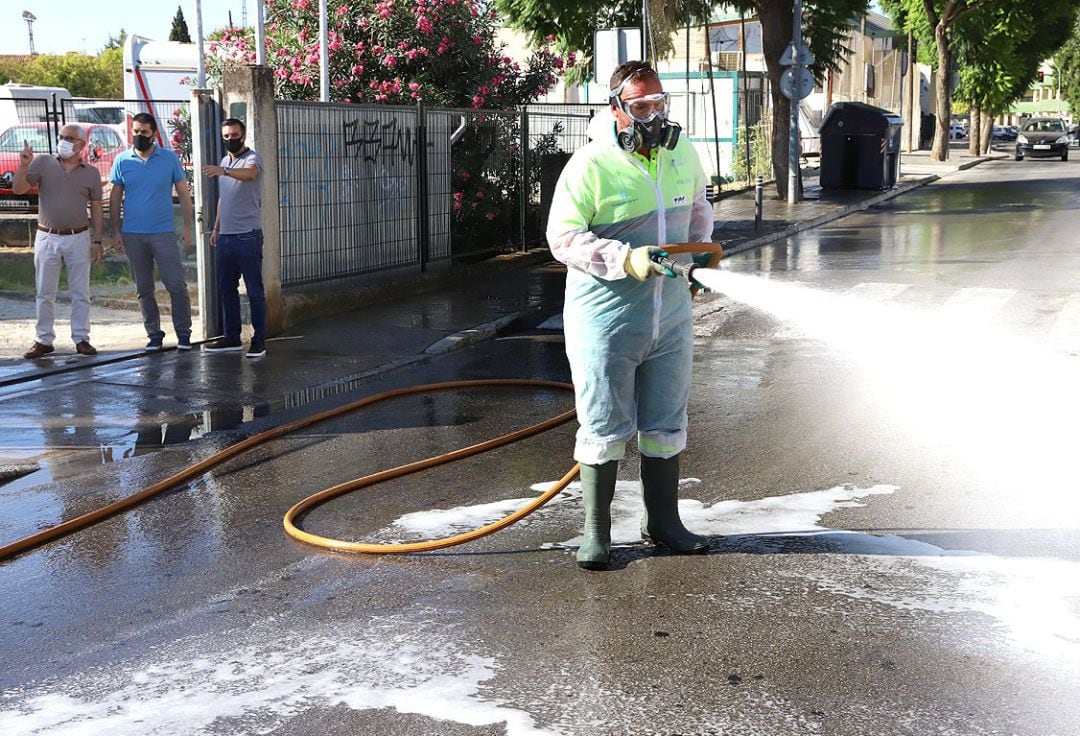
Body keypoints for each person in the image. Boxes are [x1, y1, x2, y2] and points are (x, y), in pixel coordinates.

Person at [546, 60, 715, 570]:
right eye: (641, 106)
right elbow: (563, 239)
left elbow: (700, 206)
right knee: (603, 423)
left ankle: (662, 521)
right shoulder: (590, 164)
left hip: (670, 319)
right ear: (616, 107)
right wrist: (626, 258)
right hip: (607, 319)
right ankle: (596, 532)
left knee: (665, 420)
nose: (654, 115)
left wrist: (701, 249)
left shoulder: (680, 151)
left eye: (659, 103)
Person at [14, 124, 105, 359]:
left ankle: (81, 338)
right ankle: (44, 340)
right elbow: (19, 189)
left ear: (81, 145)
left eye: (69, 138)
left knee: (80, 292)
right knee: (45, 291)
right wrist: (24, 165)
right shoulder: (43, 162)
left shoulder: (91, 173)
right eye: (61, 136)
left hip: (78, 236)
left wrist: (97, 240)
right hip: (47, 235)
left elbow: (96, 208)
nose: (63, 141)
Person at [108, 112, 194, 351]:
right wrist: (115, 230)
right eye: (135, 132)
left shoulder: (169, 159)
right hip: (133, 234)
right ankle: (154, 334)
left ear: (154, 134)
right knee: (143, 288)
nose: (139, 136)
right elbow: (115, 197)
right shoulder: (122, 161)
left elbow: (184, 194)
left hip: (163, 233)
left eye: (144, 132)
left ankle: (184, 333)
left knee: (176, 285)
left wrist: (187, 227)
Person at [200, 117, 268, 359]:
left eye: (234, 135)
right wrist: (217, 228)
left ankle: (259, 341)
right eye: (226, 136)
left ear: (244, 134)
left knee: (254, 290)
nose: (230, 139)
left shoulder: (251, 158)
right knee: (226, 288)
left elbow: (250, 175)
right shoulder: (224, 161)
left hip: (248, 235)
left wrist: (225, 170)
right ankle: (232, 337)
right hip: (226, 236)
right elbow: (223, 198)